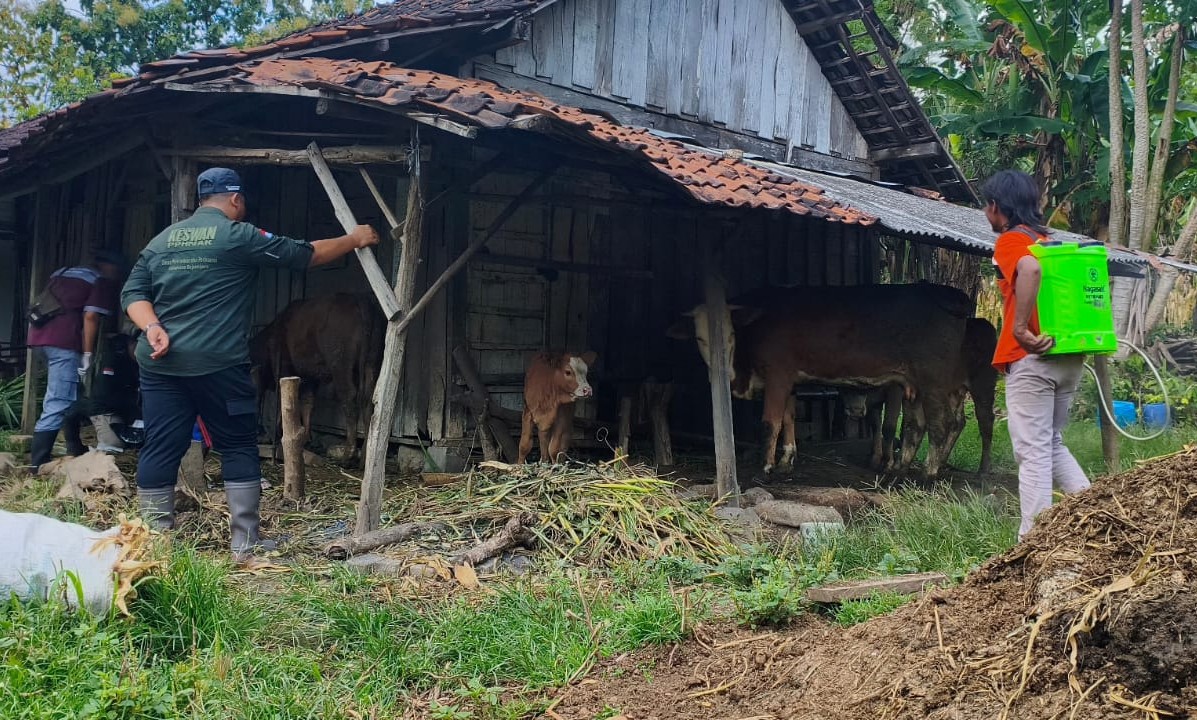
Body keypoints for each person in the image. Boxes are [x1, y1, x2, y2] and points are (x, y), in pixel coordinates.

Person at [121, 167, 379, 561]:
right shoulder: (238, 236)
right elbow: (305, 254)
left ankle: (155, 544)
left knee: (160, 446)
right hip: (217, 364)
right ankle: (245, 543)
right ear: (236, 200)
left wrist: (152, 326)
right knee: (239, 443)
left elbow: (133, 293)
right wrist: (354, 238)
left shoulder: (162, 240)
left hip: (160, 364)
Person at [984, 169, 1090, 539]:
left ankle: (1033, 540)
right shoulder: (1049, 240)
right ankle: (1095, 513)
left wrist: (1020, 330)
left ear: (996, 207)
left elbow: (1028, 269)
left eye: (987, 206)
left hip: (1033, 360)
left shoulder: (1014, 241)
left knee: (1031, 452)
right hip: (1068, 358)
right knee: (1051, 442)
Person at [27, 248, 125, 470]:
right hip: (63, 341)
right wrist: (87, 354)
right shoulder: (98, 280)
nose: (117, 274)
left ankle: (74, 446)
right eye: (116, 269)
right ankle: (38, 463)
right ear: (106, 266)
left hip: (38, 336)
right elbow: (90, 316)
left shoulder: (63, 272)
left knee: (69, 394)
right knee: (59, 399)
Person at [61, 332, 142, 456]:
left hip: (127, 409)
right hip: (105, 409)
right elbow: (106, 398)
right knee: (113, 446)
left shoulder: (138, 363)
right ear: (131, 344)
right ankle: (75, 447)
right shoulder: (112, 363)